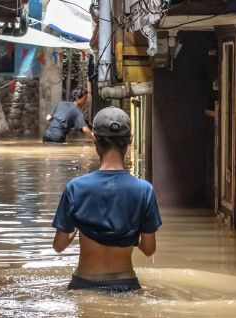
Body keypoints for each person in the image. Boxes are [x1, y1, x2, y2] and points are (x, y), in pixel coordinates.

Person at [51, 107, 162, 292]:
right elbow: (149, 249)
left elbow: (59, 246)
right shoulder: (145, 190)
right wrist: (132, 235)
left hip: (83, 285)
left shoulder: (75, 188)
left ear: (94, 139)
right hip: (127, 286)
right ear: (130, 140)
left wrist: (77, 227)